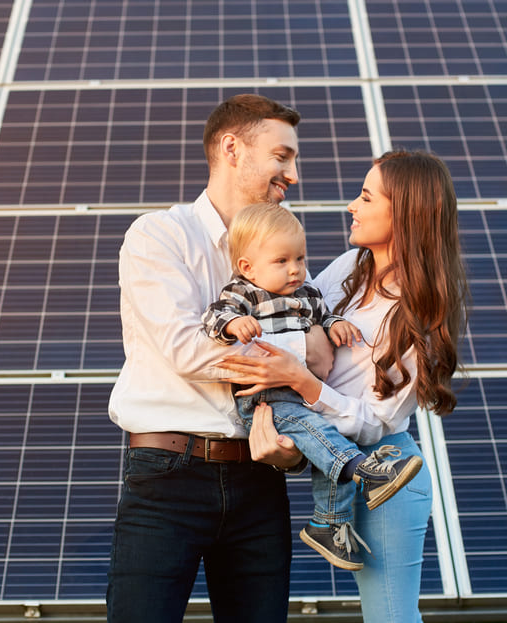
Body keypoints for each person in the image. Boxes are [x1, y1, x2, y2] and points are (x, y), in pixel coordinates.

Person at [106, 93, 334, 623]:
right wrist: (302, 351)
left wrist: (294, 445)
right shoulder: (159, 235)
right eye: (282, 156)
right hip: (168, 476)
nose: (293, 174)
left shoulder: (288, 254)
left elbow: (320, 372)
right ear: (232, 148)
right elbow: (187, 349)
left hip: (261, 478)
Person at [217, 150, 468, 623]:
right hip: (335, 457)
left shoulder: (420, 314)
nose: (352, 205)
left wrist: (302, 382)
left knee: (390, 617)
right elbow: (293, 309)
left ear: (407, 213)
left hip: (390, 471)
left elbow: (377, 422)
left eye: (367, 197)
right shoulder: (352, 266)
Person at [201, 200, 423, 570]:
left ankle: (329, 523)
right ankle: (364, 471)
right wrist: (231, 325)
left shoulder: (307, 293)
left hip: (302, 395)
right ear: (247, 267)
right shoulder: (245, 293)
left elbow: (325, 315)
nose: (296, 270)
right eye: (282, 261)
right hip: (266, 398)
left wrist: (336, 325)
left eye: (300, 259)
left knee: (326, 434)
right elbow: (214, 316)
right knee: (318, 431)